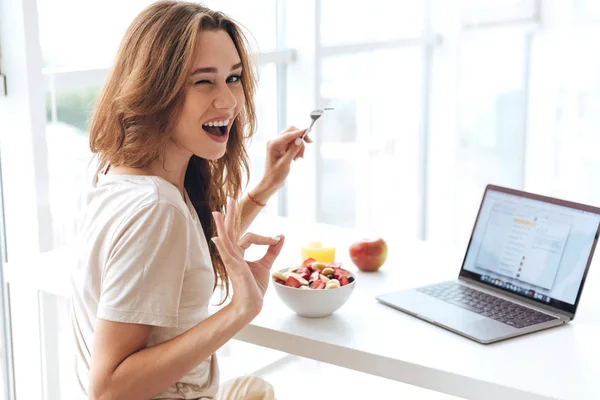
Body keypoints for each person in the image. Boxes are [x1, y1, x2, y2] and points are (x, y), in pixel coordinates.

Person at [69, 1, 310, 398]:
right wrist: (240, 311)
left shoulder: (116, 173)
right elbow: (109, 389)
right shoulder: (155, 209)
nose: (229, 101)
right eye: (203, 81)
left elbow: (169, 255)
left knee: (255, 388)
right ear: (155, 89)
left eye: (233, 78)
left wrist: (265, 185)